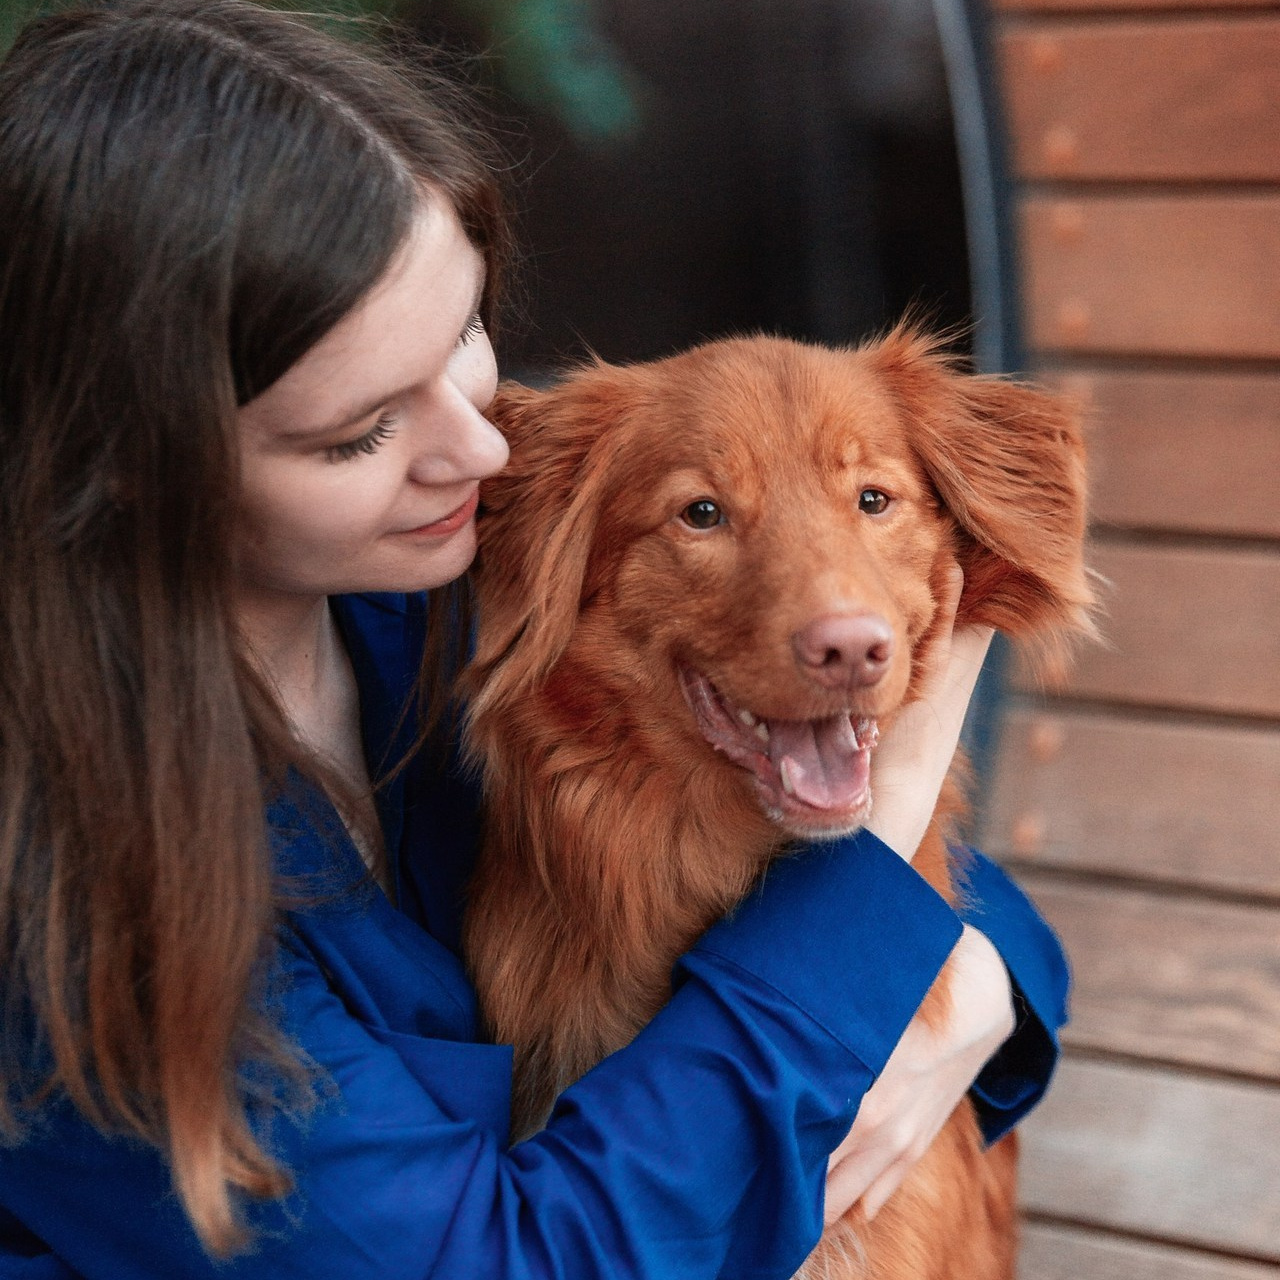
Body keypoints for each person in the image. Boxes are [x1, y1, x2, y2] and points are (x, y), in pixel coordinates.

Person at [0, 2, 1068, 1276]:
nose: (485, 446)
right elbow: (511, 1261)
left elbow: (948, 903)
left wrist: (984, 989)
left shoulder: (433, 598)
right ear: (124, 469)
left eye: (461, 335)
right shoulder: (65, 888)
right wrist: (884, 835)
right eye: (359, 431)